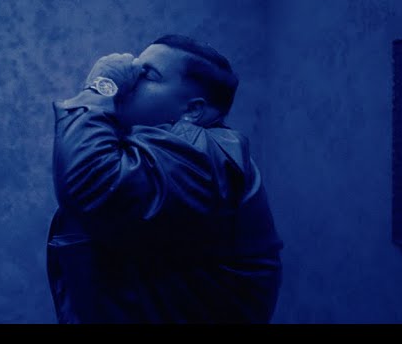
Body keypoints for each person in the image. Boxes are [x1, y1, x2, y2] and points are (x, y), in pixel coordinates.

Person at [47, 34, 283, 323]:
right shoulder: (166, 155)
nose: (129, 79)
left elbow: (90, 183)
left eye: (148, 75)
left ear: (192, 110)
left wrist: (101, 86)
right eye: (135, 67)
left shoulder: (206, 154)